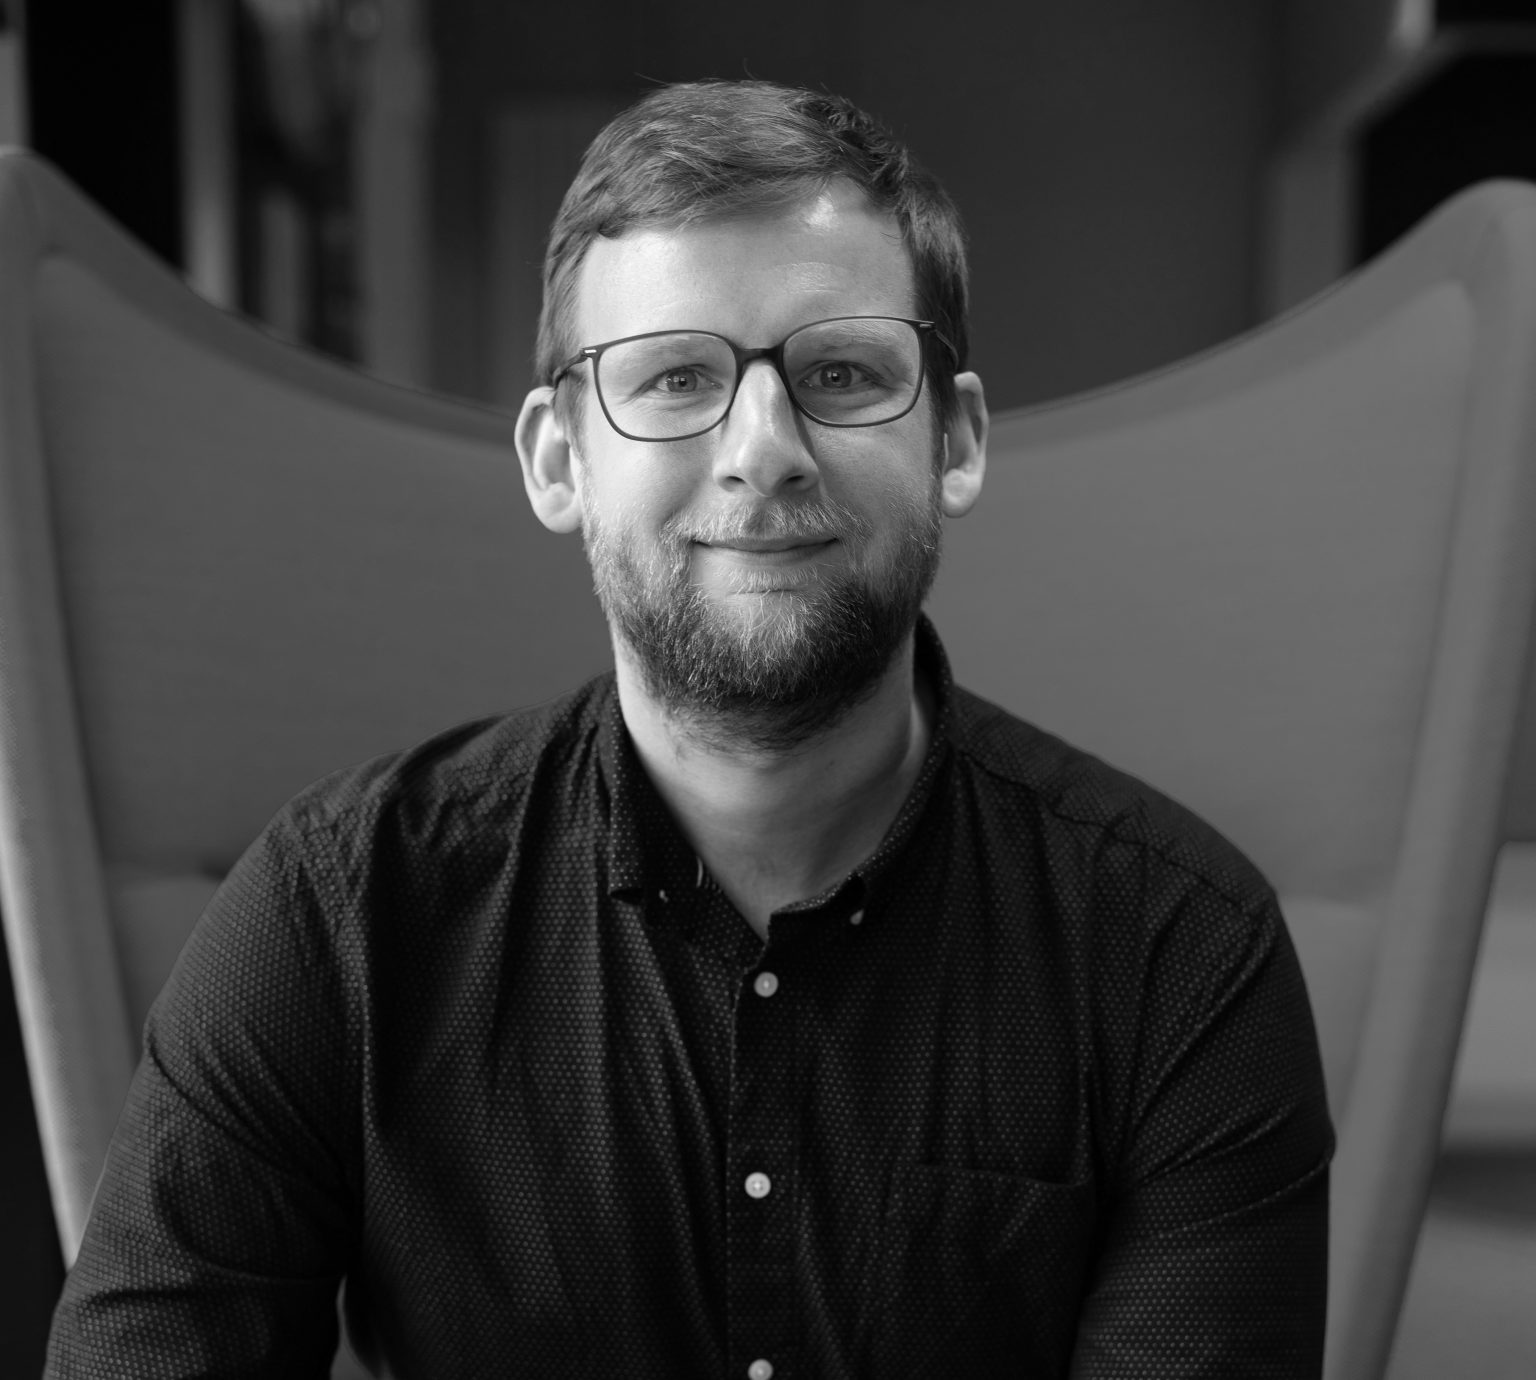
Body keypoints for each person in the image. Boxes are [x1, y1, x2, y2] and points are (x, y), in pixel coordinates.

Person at [47, 79, 1333, 1378]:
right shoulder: (334, 917)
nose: (762, 448)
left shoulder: (1178, 951)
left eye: (841, 373)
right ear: (559, 460)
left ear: (955, 438)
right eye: (674, 378)